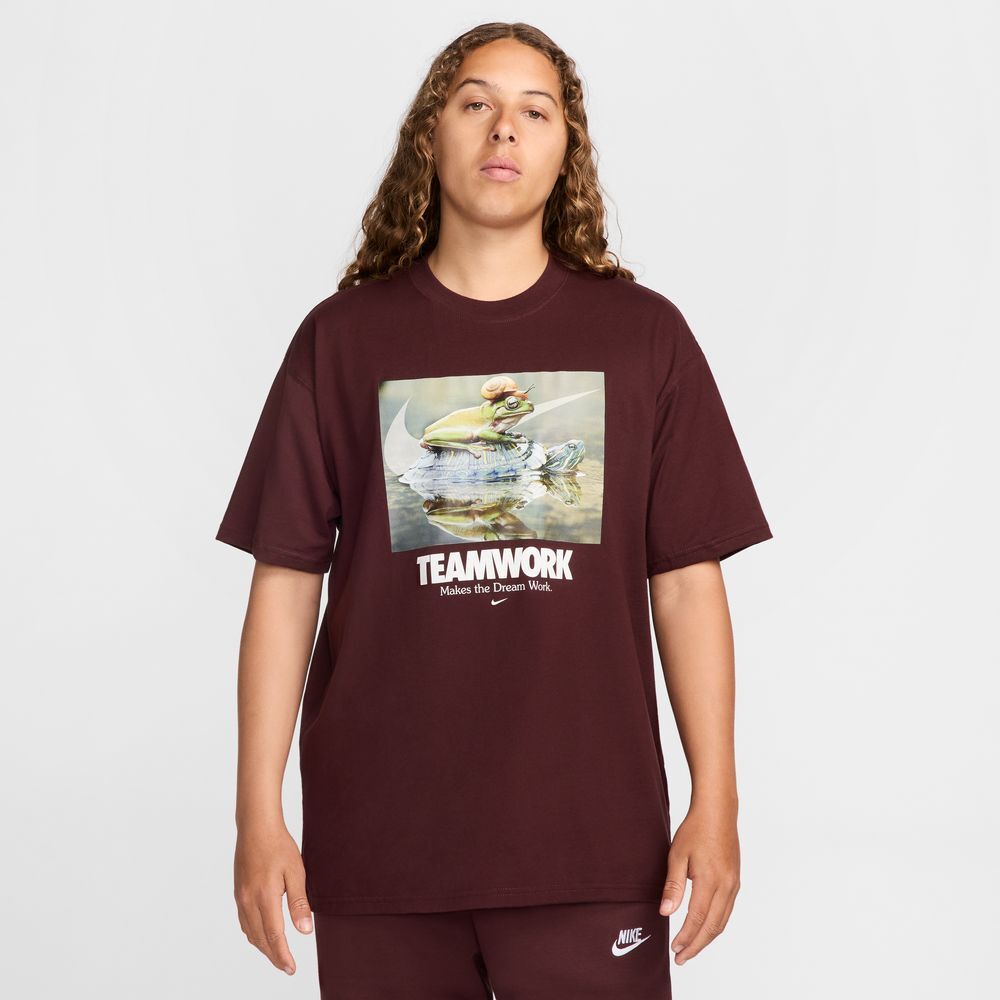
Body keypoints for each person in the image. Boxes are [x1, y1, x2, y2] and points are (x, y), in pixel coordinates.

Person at [215, 20, 773, 1000]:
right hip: (381, 848)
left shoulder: (644, 337)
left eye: (534, 110)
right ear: (430, 135)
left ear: (566, 151)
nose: (503, 129)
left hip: (595, 847)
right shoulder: (340, 340)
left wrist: (716, 798)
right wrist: (256, 815)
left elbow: (687, 583)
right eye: (475, 103)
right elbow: (286, 581)